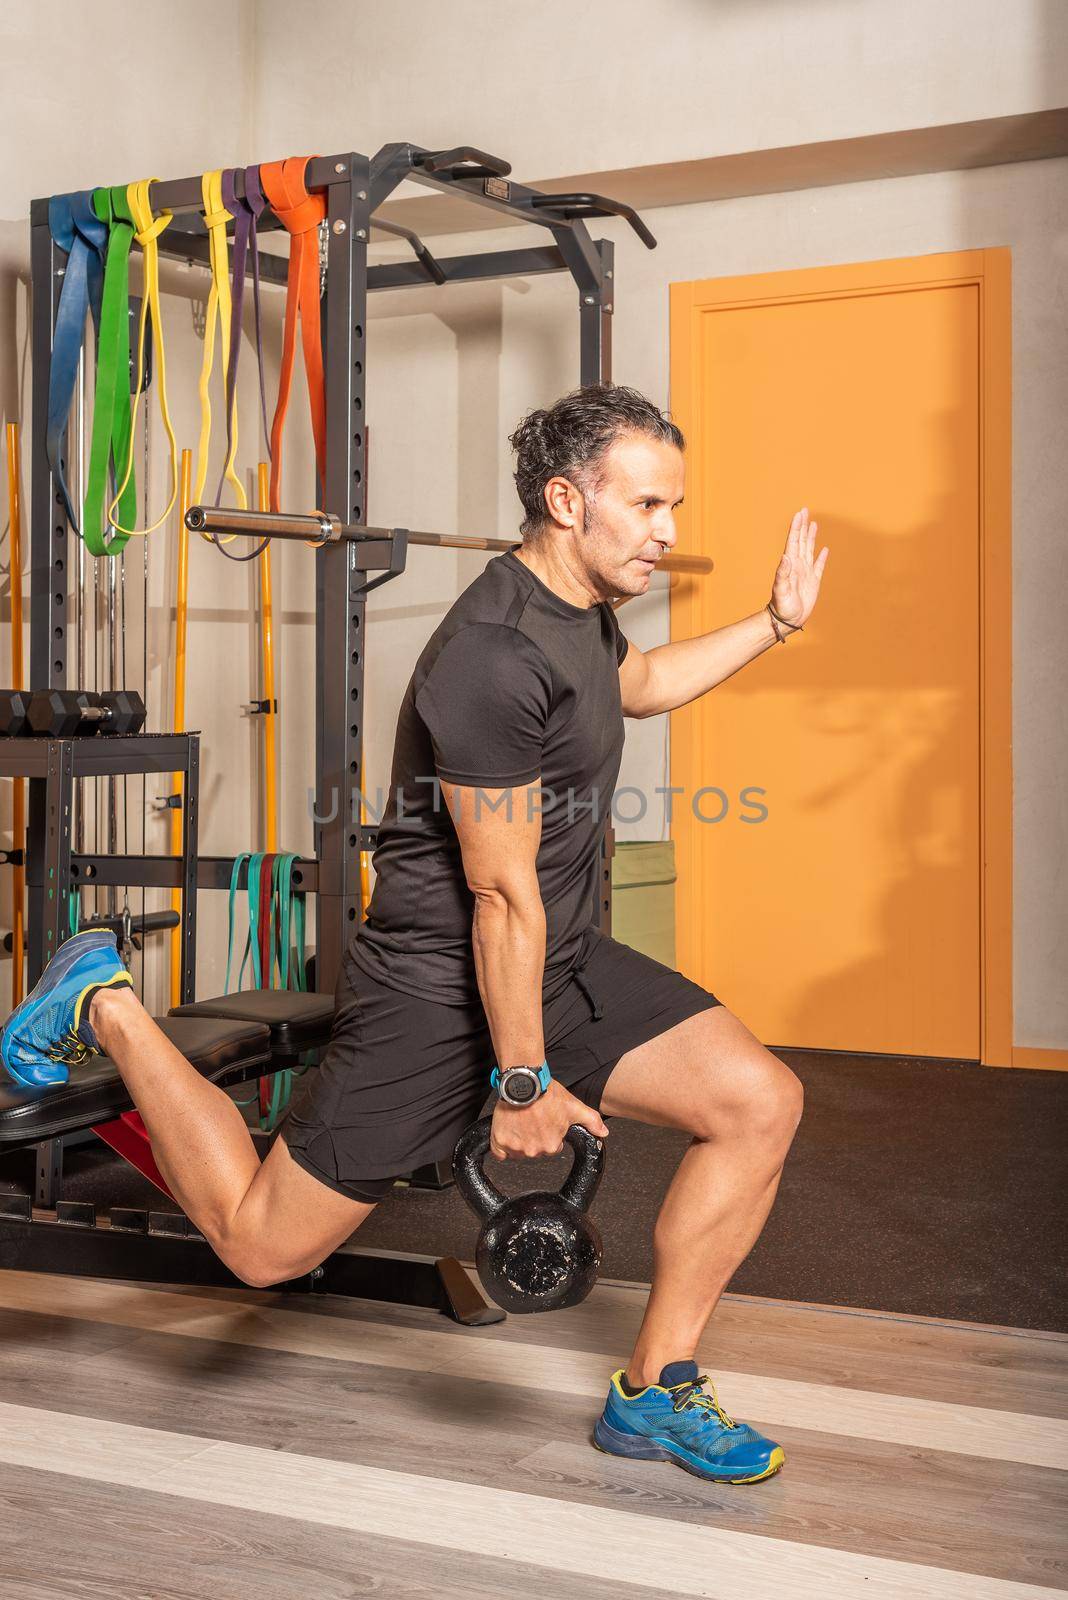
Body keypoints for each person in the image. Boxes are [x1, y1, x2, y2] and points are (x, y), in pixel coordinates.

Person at [2, 383, 828, 1485]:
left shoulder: (580, 608)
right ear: (565, 498)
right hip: (441, 989)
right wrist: (524, 1078)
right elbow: (499, 899)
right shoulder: (490, 656)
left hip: (559, 959)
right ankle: (102, 990)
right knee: (259, 1245)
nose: (669, 532)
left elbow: (639, 685)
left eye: (674, 504)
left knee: (758, 1100)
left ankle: (655, 1389)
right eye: (647, 505)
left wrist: (772, 623)